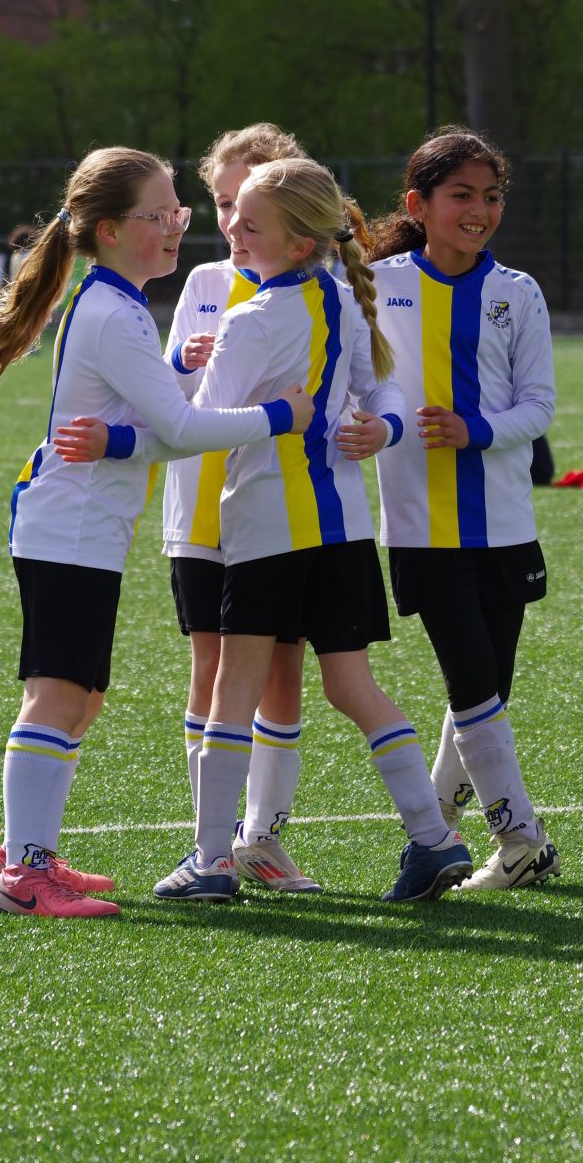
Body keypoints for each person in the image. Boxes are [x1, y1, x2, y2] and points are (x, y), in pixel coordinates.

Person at [0, 146, 313, 921]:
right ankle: (25, 875)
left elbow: (146, 420)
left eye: (176, 212)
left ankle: (24, 850)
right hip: (69, 532)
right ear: (112, 230)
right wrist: (279, 415)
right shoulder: (114, 313)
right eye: (159, 215)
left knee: (80, 699)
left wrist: (172, 376)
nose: (176, 227)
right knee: (57, 698)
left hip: (83, 531)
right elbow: (181, 431)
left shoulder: (119, 306)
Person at [145, 157, 473, 903]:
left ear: (298, 244)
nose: (233, 230)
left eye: (249, 223)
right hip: (344, 528)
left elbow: (199, 428)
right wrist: (386, 428)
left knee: (234, 691)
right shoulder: (343, 298)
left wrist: (161, 406)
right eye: (232, 216)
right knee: (354, 687)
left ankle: (212, 860)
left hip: (267, 528)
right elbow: (382, 390)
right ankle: (434, 839)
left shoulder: (252, 319)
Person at [369, 128, 560, 892]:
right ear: (418, 205)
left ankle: (439, 828)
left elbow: (538, 408)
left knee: (481, 692)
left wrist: (472, 430)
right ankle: (520, 839)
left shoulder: (518, 292)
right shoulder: (374, 285)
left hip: (506, 526)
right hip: (419, 527)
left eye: (491, 196)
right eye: (461, 195)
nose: (479, 210)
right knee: (474, 685)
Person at [162, 122, 321, 892]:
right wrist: (182, 361)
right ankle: (210, 843)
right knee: (213, 668)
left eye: (246, 205)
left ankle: (261, 837)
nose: (232, 221)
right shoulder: (204, 284)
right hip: (201, 508)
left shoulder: (313, 290)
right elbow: (168, 393)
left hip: (279, 512)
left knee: (284, 672)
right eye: (223, 203)